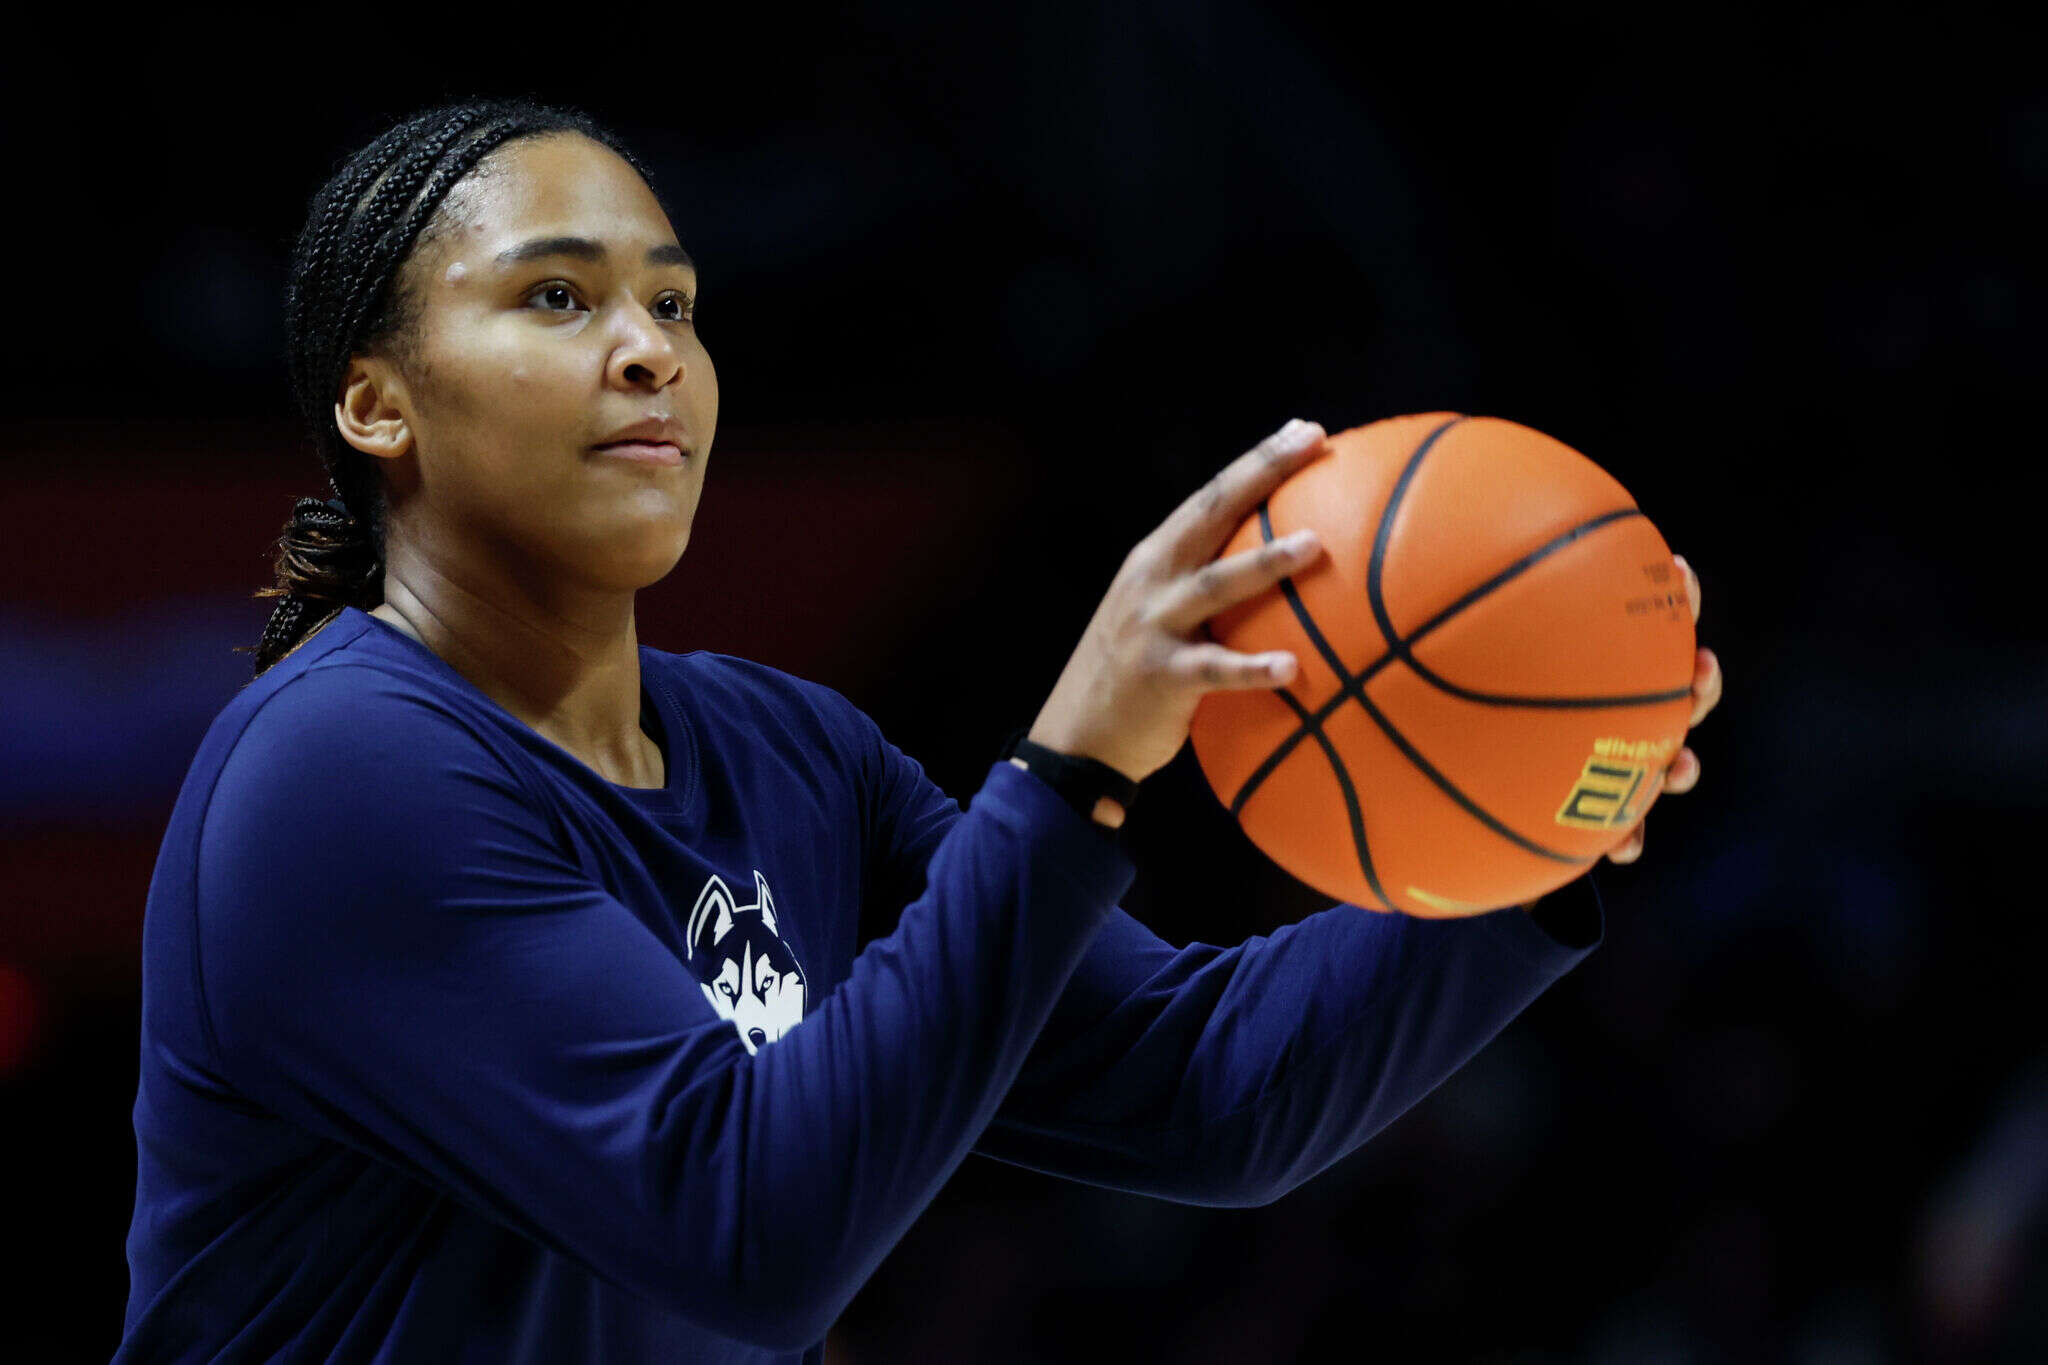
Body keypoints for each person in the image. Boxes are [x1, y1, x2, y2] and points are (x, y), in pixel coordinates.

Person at [116, 98, 1722, 1362]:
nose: (650, 346)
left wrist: (1544, 823)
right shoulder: (341, 772)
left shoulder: (786, 751)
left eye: (675, 302)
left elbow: (1210, 1090)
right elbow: (753, 1229)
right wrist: (1074, 769)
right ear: (377, 402)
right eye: (557, 295)